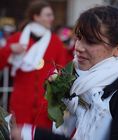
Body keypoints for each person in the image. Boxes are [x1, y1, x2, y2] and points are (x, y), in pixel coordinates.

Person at [11, 5, 118, 140]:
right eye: (78, 38)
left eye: (90, 41)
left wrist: (33, 135)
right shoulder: (81, 82)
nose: (78, 47)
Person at [0, 0, 68, 129]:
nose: (52, 18)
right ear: (36, 17)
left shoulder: (56, 42)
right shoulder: (17, 38)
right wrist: (10, 49)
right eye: (48, 15)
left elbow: (62, 70)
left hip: (45, 105)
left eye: (52, 15)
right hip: (21, 103)